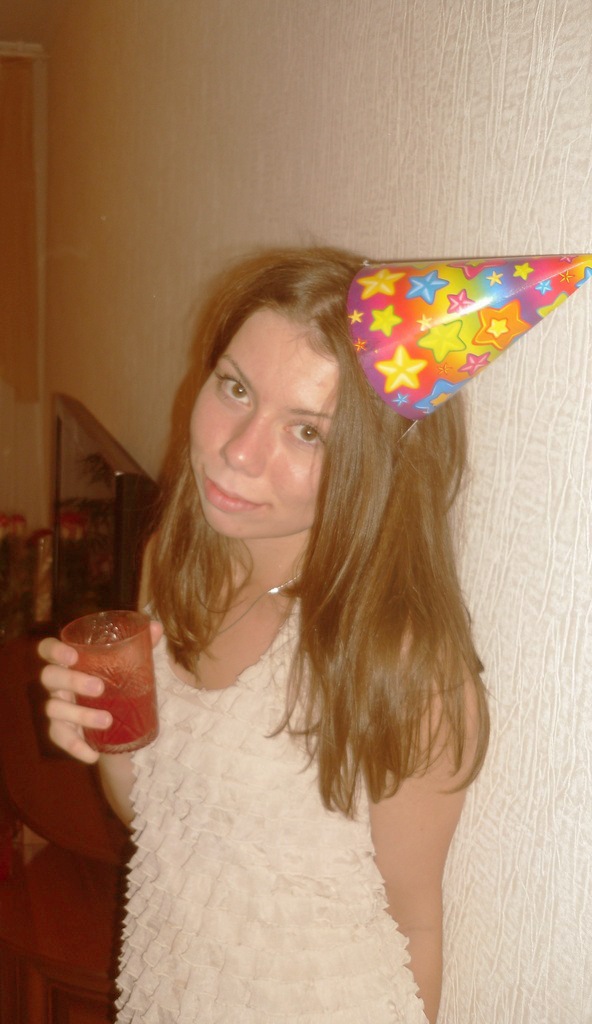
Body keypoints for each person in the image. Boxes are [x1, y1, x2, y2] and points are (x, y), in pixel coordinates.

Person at [39, 246, 489, 1024]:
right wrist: (106, 733)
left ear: (378, 463)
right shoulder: (172, 562)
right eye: (236, 387)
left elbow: (415, 923)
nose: (238, 450)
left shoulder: (407, 665)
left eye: (308, 431)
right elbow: (157, 818)